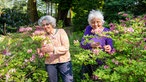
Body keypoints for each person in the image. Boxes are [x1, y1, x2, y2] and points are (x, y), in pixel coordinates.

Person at [80, 10, 115, 80]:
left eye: (98, 22)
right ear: (90, 23)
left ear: (102, 21)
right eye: (93, 22)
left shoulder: (107, 31)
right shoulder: (88, 29)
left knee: (100, 79)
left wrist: (109, 48)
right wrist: (90, 45)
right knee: (86, 78)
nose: (95, 24)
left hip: (102, 61)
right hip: (89, 61)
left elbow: (111, 46)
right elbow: (82, 44)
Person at [37, 15, 73, 82]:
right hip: (50, 63)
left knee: (68, 80)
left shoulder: (61, 32)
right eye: (43, 25)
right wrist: (41, 51)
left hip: (64, 62)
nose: (45, 26)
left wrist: (53, 49)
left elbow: (66, 47)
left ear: (52, 24)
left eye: (47, 24)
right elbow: (44, 49)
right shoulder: (42, 36)